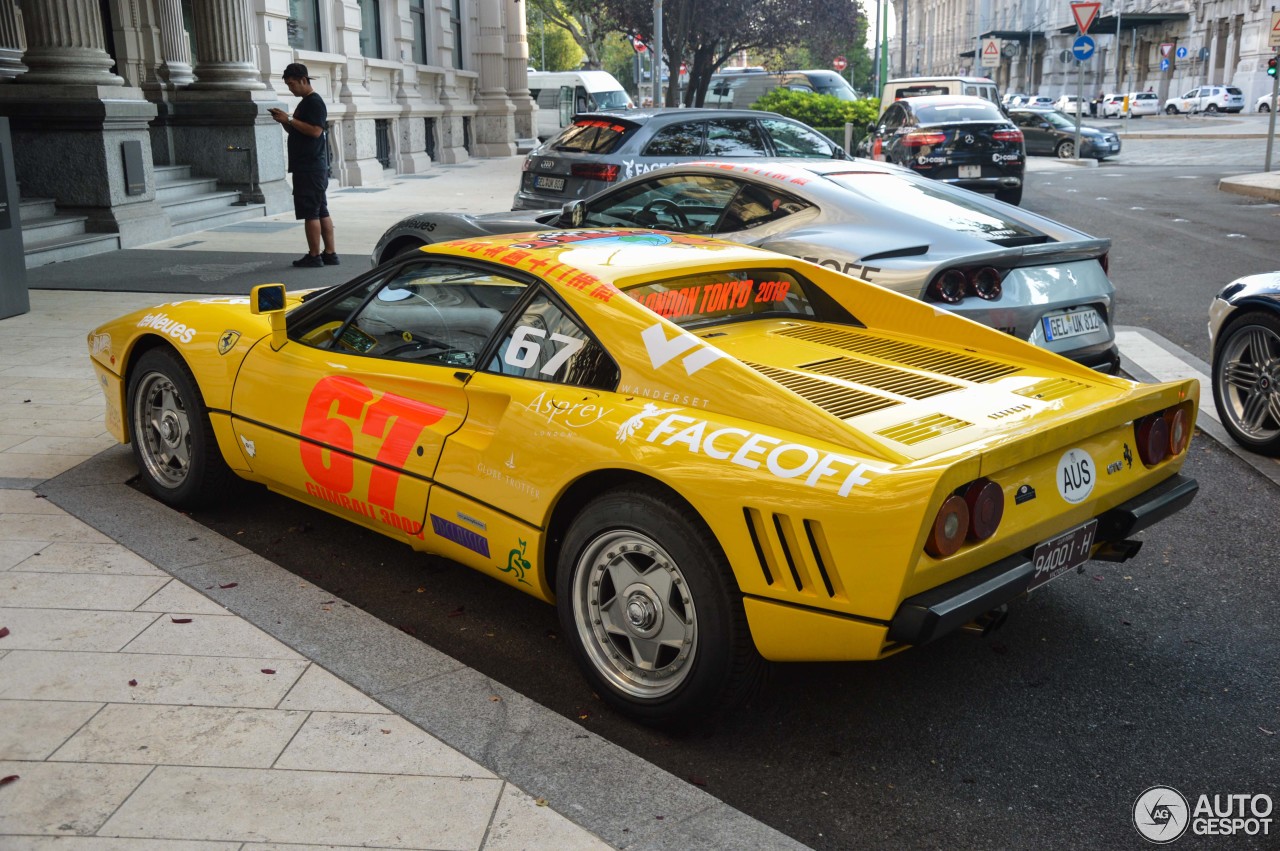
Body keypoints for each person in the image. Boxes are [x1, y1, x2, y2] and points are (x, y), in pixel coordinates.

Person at [269, 63, 338, 267]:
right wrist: (284, 121)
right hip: (311, 166)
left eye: (291, 84)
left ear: (303, 80)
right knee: (320, 210)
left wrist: (289, 118)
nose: (290, 88)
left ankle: (315, 255)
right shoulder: (306, 102)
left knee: (311, 212)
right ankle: (330, 253)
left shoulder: (314, 102)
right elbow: (300, 132)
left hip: (310, 167)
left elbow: (316, 131)